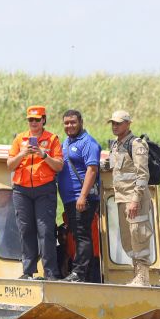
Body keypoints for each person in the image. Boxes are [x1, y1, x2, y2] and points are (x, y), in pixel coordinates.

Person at [7, 105, 64, 280]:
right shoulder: (19, 139)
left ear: (43, 120)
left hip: (44, 190)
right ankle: (28, 271)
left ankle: (51, 273)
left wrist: (43, 154)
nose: (34, 123)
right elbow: (10, 165)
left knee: (46, 231)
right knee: (25, 229)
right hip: (22, 190)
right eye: (30, 119)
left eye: (37, 119)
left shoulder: (52, 139)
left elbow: (59, 166)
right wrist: (23, 153)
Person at [104, 110, 153, 287]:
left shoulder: (136, 145)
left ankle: (143, 277)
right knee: (127, 239)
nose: (115, 126)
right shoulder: (116, 145)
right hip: (121, 198)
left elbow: (142, 175)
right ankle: (136, 274)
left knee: (138, 235)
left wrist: (134, 200)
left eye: (118, 123)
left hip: (135, 199)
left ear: (128, 124)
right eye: (113, 123)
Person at [57, 109, 101, 282]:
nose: (69, 126)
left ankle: (79, 273)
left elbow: (92, 170)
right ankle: (83, 273)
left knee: (82, 234)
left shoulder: (88, 143)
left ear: (81, 122)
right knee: (76, 234)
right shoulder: (66, 142)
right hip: (70, 199)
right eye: (66, 123)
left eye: (73, 122)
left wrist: (82, 197)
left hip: (82, 198)